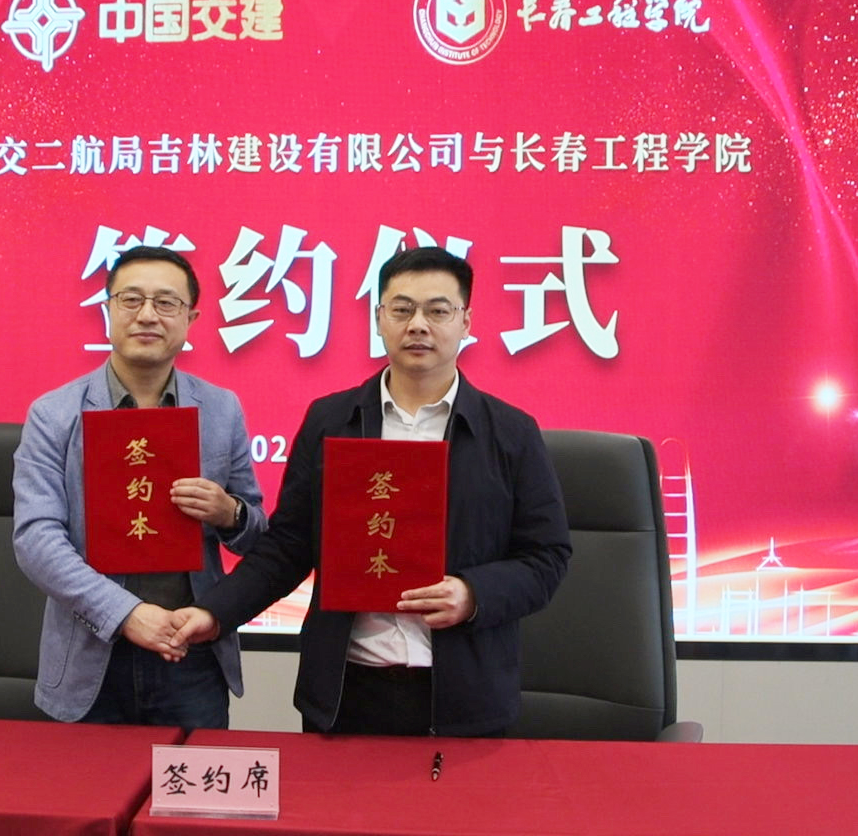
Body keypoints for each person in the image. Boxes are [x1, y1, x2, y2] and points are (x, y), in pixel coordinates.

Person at [170, 246, 571, 737]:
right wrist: (214, 613)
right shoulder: (332, 420)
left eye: (438, 311)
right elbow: (288, 546)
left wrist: (473, 594)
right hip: (346, 690)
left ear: (466, 321)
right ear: (379, 318)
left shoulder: (510, 432)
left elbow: (546, 556)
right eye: (402, 309)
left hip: (464, 695)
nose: (418, 325)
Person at [12, 245, 266, 727]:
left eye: (166, 303)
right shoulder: (54, 414)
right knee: (85, 779)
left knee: (188, 779)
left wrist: (228, 513)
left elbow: (257, 533)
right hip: (90, 655)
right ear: (107, 310)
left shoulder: (221, 409)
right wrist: (127, 614)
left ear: (190, 319)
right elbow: (36, 541)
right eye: (131, 300)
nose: (147, 315)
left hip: (190, 653)